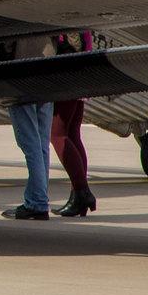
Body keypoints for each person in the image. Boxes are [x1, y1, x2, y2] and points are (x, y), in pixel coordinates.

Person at [3, 34, 55, 220]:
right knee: (41, 144)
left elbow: (8, 39)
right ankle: (37, 198)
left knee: (30, 142)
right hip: (49, 70)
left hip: (23, 68)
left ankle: (37, 202)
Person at [52, 30, 97, 217]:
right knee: (72, 134)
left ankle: (82, 192)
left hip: (67, 68)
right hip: (82, 65)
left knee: (56, 134)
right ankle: (78, 195)